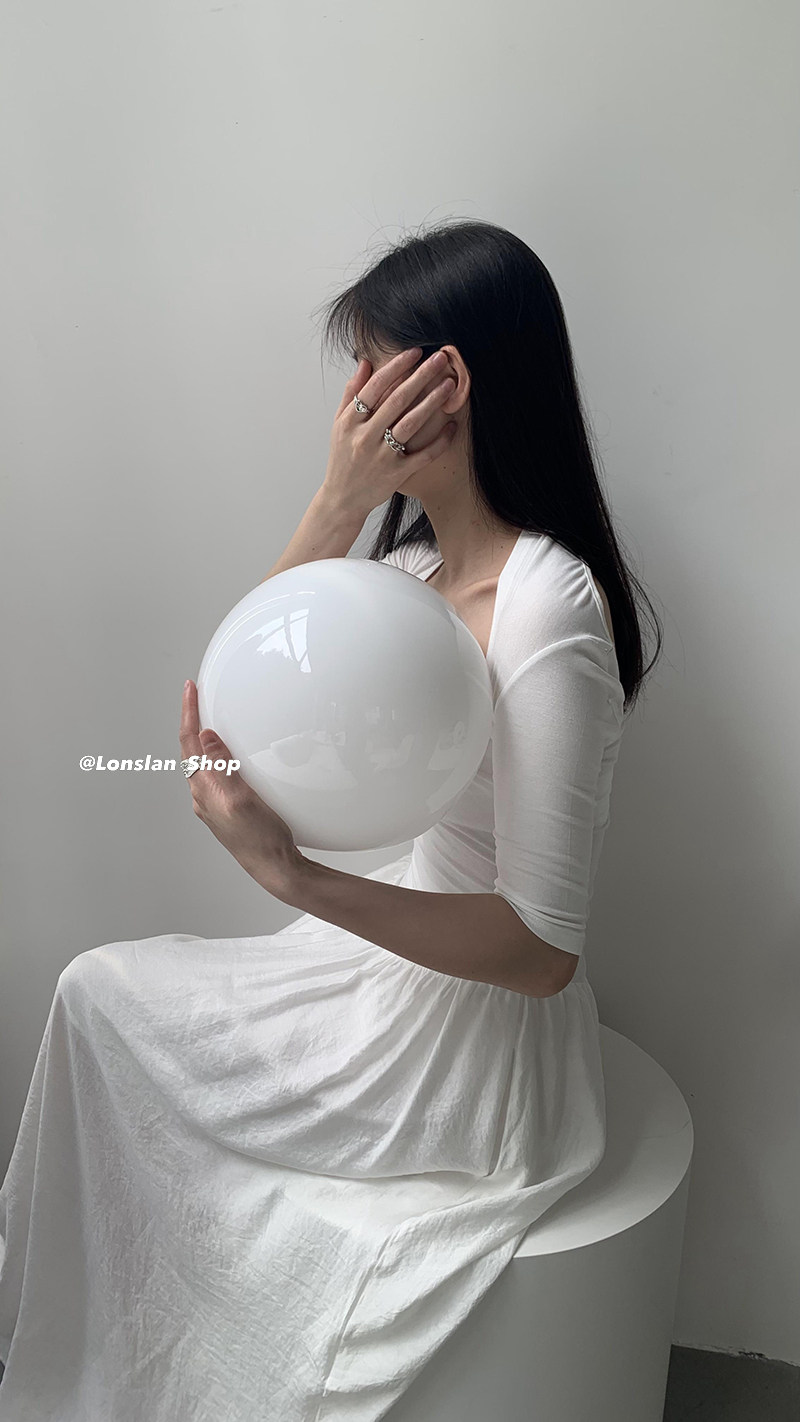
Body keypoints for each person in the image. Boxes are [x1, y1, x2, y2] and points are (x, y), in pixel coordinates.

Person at [0, 219, 662, 1420]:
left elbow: (539, 951)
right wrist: (337, 500)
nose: (350, 400)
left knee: (100, 1001)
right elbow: (233, 695)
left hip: (470, 1050)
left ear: (446, 382)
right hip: (379, 968)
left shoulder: (545, 607)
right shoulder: (404, 581)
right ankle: (87, 1348)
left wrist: (296, 880)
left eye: (369, 364)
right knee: (96, 995)